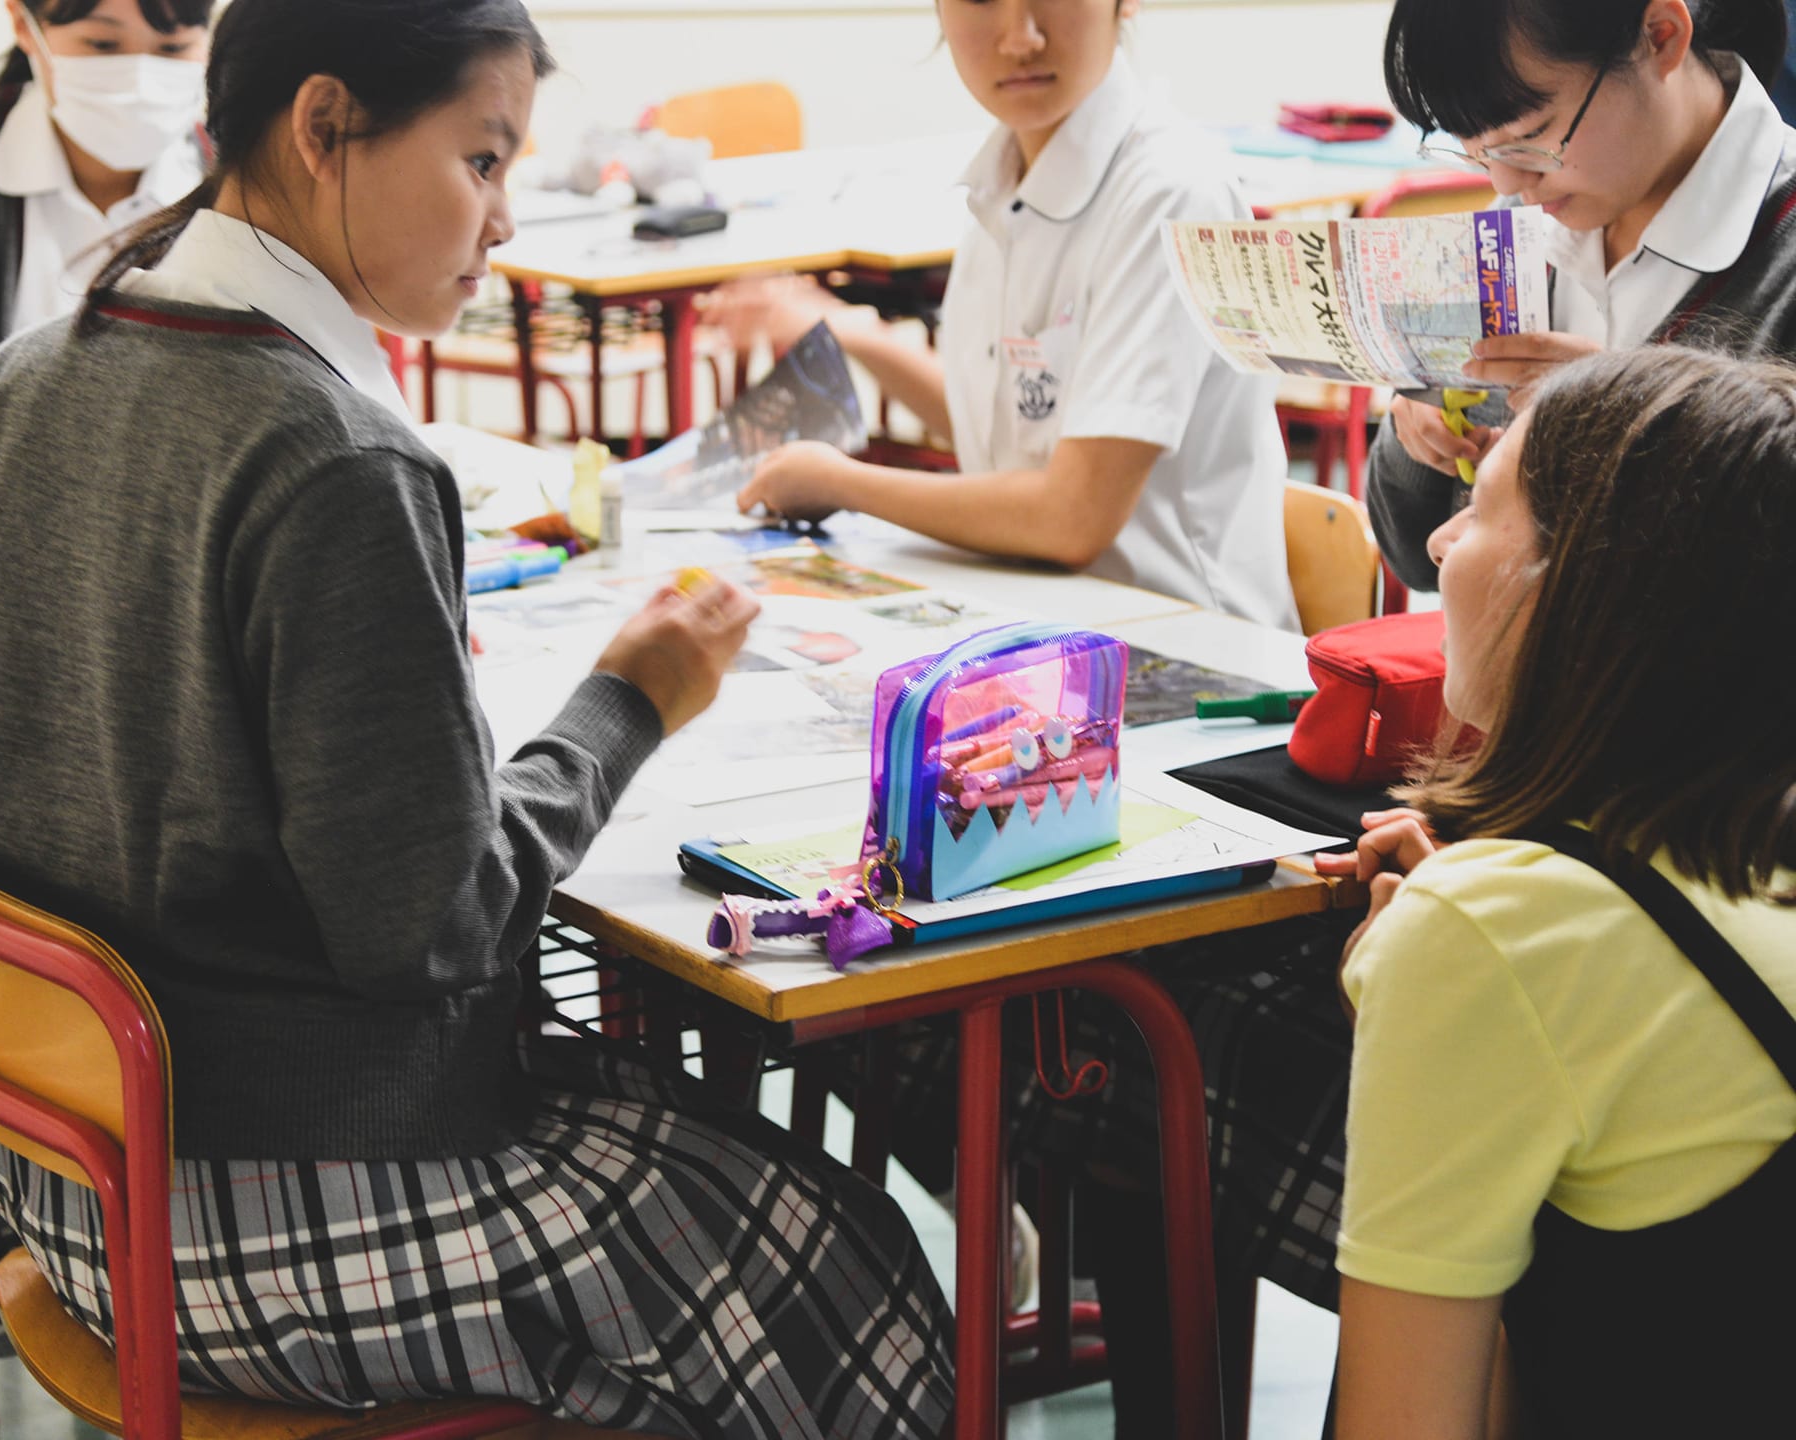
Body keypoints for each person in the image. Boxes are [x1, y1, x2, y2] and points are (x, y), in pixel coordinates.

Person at [0, 2, 954, 1434]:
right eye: (481, 160)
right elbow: (435, 932)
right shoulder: (332, 458)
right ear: (325, 127)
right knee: (845, 1261)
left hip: (52, 1173)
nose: (504, 220)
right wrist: (626, 704)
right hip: (253, 1203)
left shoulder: (26, 376)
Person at [1331, 345, 1796, 1436]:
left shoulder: (1489, 931)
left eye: (1481, 509)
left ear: (1575, 586)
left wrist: (1443, 968)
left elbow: (1410, 1423)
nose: (1438, 541)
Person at [706, 0, 1299, 632]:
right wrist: (856, 333)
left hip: (1196, 654)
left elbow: (1071, 517)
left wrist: (841, 483)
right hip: (1051, 621)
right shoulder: (1005, 184)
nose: (1021, 38)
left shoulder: (1171, 193)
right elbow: (1006, 430)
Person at [0, 0, 215, 781]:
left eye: (172, 48)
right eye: (101, 43)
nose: (137, 74)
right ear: (24, 27)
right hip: (2, 563)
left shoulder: (230, 172)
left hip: (176, 564)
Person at [1367, 0, 1796, 591]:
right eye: (1475, 149)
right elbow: (1416, 557)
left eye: (1530, 136)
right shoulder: (1524, 226)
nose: (1507, 182)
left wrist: (1634, 422)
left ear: (1660, 37)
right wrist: (1419, 436)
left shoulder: (1781, 254)